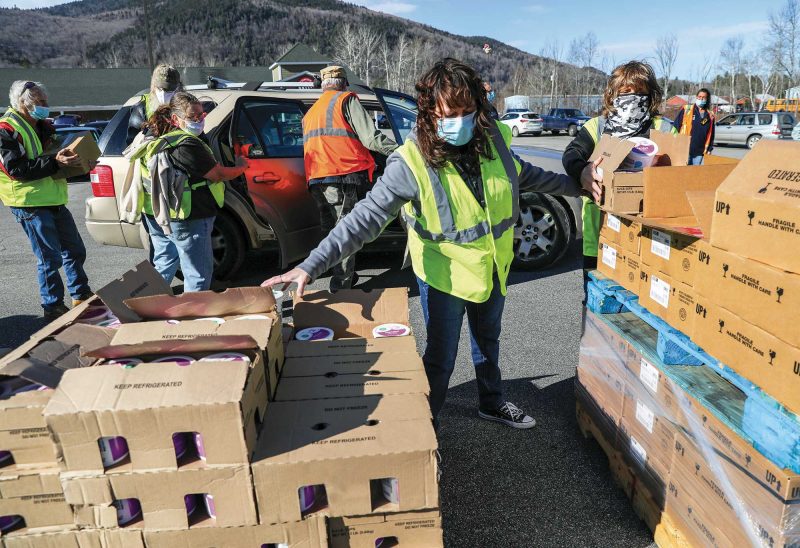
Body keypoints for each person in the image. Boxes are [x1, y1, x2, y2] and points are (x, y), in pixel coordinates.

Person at [264, 58, 600, 428]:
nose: (459, 121)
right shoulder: (410, 161)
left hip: (492, 268)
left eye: (466, 111)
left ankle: (491, 401)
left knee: (488, 343)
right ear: (428, 113)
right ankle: (427, 426)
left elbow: (528, 176)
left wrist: (581, 188)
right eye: (449, 113)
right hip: (444, 276)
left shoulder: (493, 142)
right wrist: (309, 266)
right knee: (441, 357)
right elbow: (365, 218)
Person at [563, 61, 677, 273]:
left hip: (649, 239)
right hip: (600, 237)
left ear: (650, 94)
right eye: (625, 91)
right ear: (612, 94)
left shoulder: (663, 129)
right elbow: (572, 154)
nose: (632, 97)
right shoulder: (597, 126)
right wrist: (582, 171)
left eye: (639, 91)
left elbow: (681, 172)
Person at [136, 92, 247, 292]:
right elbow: (218, 174)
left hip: (158, 214)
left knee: (164, 263)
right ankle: (195, 319)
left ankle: (147, 305)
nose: (198, 120)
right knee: (198, 275)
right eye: (192, 117)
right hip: (189, 215)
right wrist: (241, 166)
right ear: (175, 119)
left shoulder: (155, 137)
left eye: (201, 115)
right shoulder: (186, 144)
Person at [0, 81, 92, 320]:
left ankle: (81, 295)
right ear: (23, 103)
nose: (45, 106)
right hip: (28, 202)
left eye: (45, 101)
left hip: (52, 197)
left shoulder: (41, 125)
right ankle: (52, 306)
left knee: (74, 249)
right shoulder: (6, 129)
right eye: (39, 102)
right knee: (49, 258)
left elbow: (53, 156)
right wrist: (55, 163)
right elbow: (16, 169)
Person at [302, 65, 398, 291]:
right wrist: (401, 151)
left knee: (331, 231)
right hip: (343, 176)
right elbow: (371, 139)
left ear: (323, 86)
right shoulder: (345, 101)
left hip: (317, 179)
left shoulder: (312, 111)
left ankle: (342, 275)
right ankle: (341, 288)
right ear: (344, 83)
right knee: (346, 231)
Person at [128, 64, 183, 139]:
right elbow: (132, 142)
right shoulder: (142, 109)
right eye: (160, 89)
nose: (163, 94)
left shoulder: (186, 106)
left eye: (169, 90)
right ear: (154, 87)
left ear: (178, 88)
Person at [674, 88, 715, 165]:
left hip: (700, 151)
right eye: (699, 97)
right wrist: (674, 143)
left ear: (707, 99)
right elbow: (675, 126)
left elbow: (711, 134)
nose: (701, 99)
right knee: (684, 173)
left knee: (694, 174)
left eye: (704, 97)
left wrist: (710, 149)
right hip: (685, 149)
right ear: (696, 97)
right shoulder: (687, 109)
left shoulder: (710, 115)